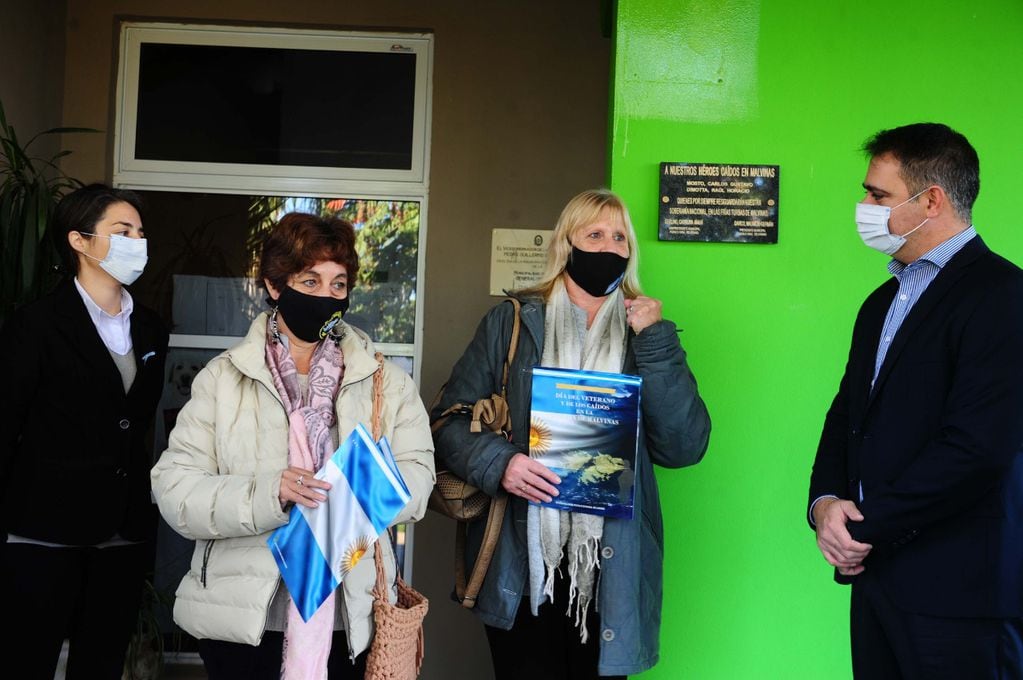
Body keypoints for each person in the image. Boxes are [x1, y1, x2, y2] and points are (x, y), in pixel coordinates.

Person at [433, 188, 711, 679]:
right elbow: (448, 421)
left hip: (612, 566)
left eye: (619, 237)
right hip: (522, 563)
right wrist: (504, 465)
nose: (608, 247)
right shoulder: (512, 321)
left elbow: (684, 446)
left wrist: (657, 340)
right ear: (567, 244)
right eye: (595, 234)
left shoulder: (644, 333)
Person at [150, 212, 435, 679]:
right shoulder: (224, 379)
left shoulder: (385, 380)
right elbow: (175, 488)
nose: (326, 295)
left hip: (350, 617)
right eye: (311, 280)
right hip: (244, 620)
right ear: (275, 285)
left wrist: (352, 494)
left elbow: (420, 477)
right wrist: (272, 493)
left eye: (338, 284)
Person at [807, 123, 1023, 678]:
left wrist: (863, 526)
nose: (864, 206)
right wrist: (825, 505)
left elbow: (978, 448)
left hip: (961, 598)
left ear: (931, 200)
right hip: (877, 582)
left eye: (877, 195)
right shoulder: (882, 300)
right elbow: (847, 416)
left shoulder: (1003, 295)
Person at [0, 183, 169, 679]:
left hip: (122, 530)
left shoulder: (152, 327)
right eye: (122, 231)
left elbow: (134, 422)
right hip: (42, 529)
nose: (137, 241)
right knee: (25, 662)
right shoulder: (34, 325)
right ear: (79, 241)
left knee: (101, 663)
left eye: (140, 231)